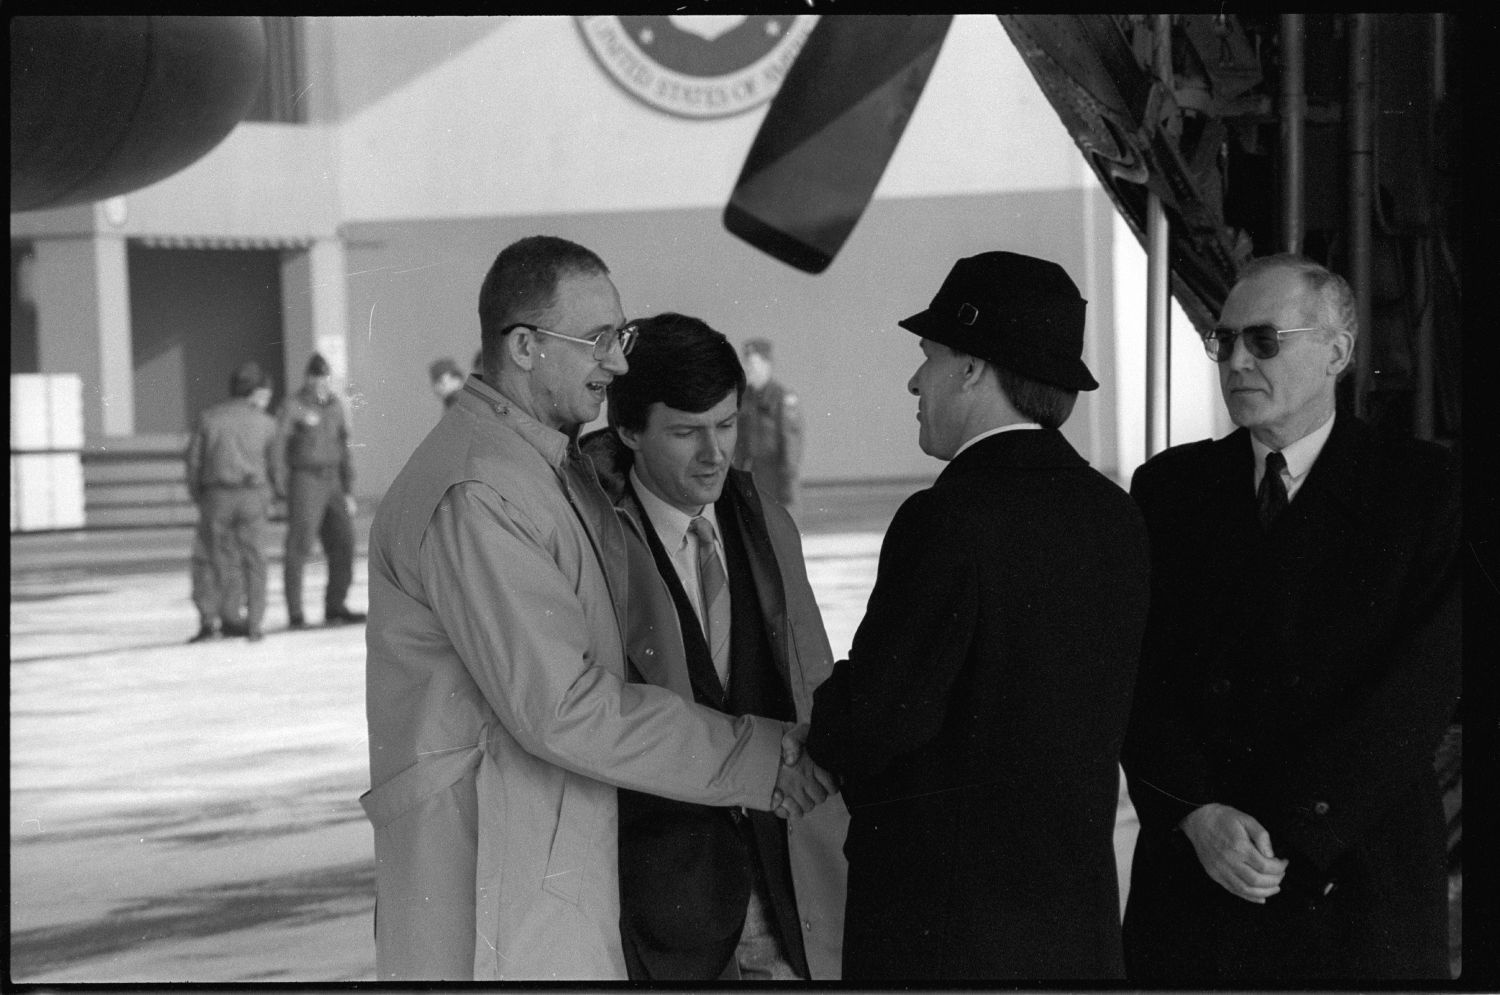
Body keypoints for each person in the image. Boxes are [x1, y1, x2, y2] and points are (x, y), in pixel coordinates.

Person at [362, 235, 834, 981]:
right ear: (523, 346)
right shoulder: (482, 488)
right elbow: (564, 707)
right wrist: (752, 754)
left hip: (537, 872)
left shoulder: (541, 469)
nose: (616, 363)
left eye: (623, 338)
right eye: (600, 340)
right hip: (492, 891)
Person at [799, 251, 1151, 980]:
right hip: (1075, 932)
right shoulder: (1114, 514)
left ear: (972, 369)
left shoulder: (948, 517)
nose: (914, 380)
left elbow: (878, 719)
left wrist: (827, 711)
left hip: (946, 936)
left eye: (928, 357)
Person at [1120, 253, 1461, 983]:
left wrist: (1295, 835)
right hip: (1198, 877)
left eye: (1263, 340)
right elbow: (1134, 675)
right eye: (1225, 341)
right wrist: (1195, 813)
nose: (1236, 359)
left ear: (1336, 352)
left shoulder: (1427, 491)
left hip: (1353, 879)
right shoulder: (1169, 490)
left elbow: (1417, 696)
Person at [579, 313, 847, 981]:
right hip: (662, 919)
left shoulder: (770, 527)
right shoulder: (591, 547)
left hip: (788, 902)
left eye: (726, 425)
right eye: (686, 431)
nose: (714, 453)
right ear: (630, 431)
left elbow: (809, 685)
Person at [184, 360, 278, 642]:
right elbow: (275, 467)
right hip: (252, 496)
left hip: (217, 496)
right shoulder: (266, 423)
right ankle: (254, 622)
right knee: (254, 560)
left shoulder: (209, 418)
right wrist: (267, 497)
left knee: (210, 558)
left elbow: (193, 462)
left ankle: (209, 619)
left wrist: (200, 495)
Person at [276, 353, 364, 629]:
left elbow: (345, 448)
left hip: (333, 480)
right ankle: (295, 612)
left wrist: (348, 489)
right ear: (308, 378)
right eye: (316, 377)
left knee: (344, 543)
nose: (321, 382)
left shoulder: (336, 407)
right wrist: (281, 488)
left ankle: (335, 605)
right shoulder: (293, 406)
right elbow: (279, 448)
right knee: (299, 546)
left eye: (325, 377)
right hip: (305, 480)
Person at [732, 338, 803, 517]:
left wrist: (787, 483)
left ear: (767, 364)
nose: (749, 368)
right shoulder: (744, 397)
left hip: (776, 478)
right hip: (751, 476)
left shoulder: (781, 398)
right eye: (746, 363)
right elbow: (739, 440)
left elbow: (791, 444)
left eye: (753, 363)